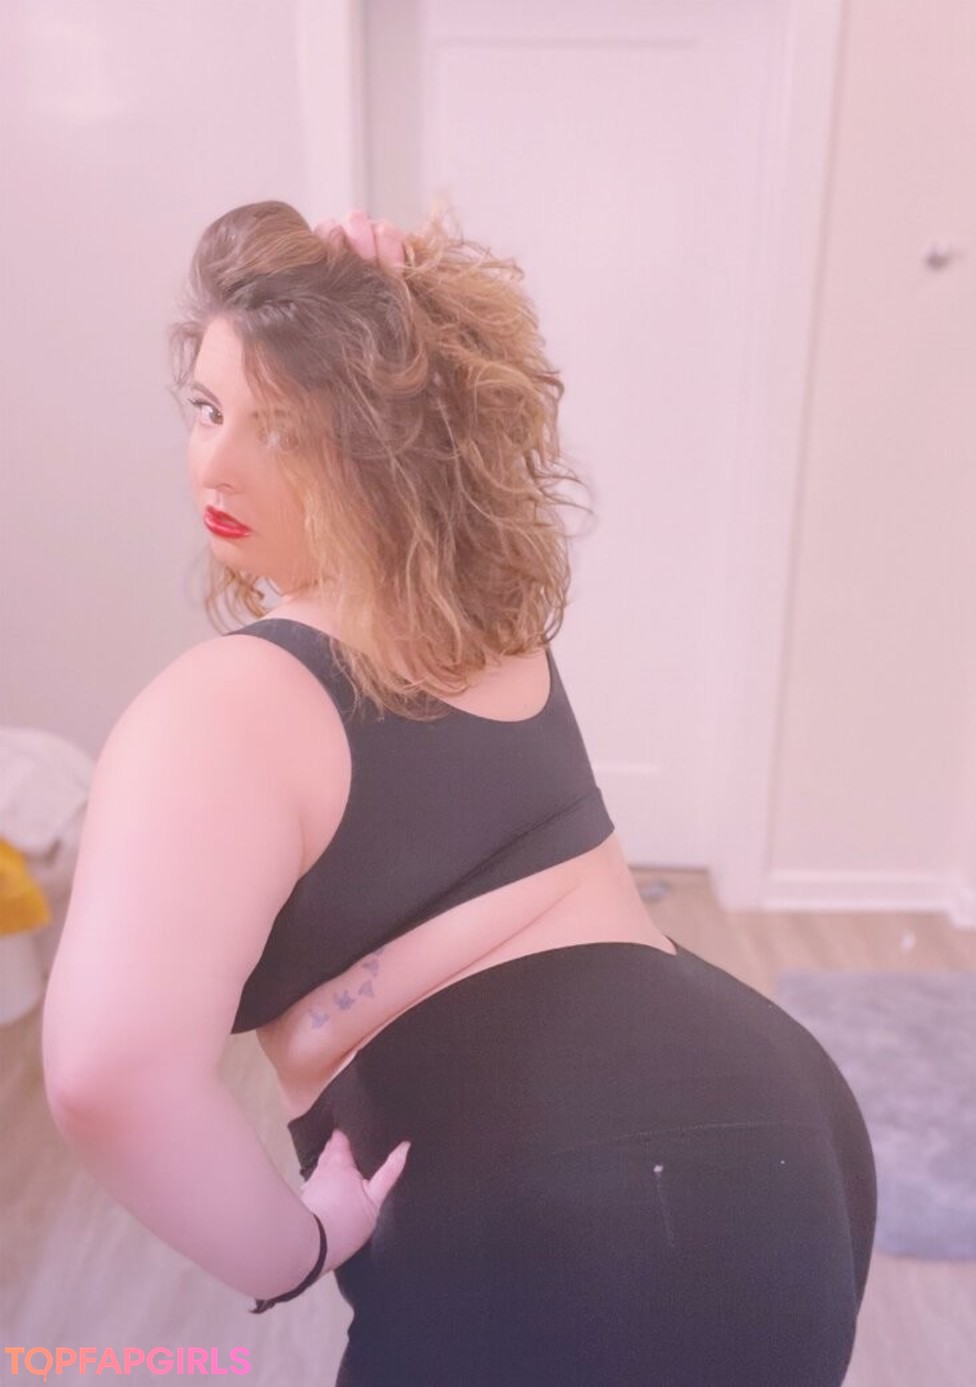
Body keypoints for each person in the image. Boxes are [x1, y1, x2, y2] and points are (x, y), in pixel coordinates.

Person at [42, 202, 876, 1386]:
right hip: (785, 1124)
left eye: (290, 431)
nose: (217, 464)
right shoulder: (485, 626)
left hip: (583, 1218)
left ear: (390, 450)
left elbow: (105, 1075)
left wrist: (296, 1246)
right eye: (208, 406)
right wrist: (401, 326)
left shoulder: (227, 705)